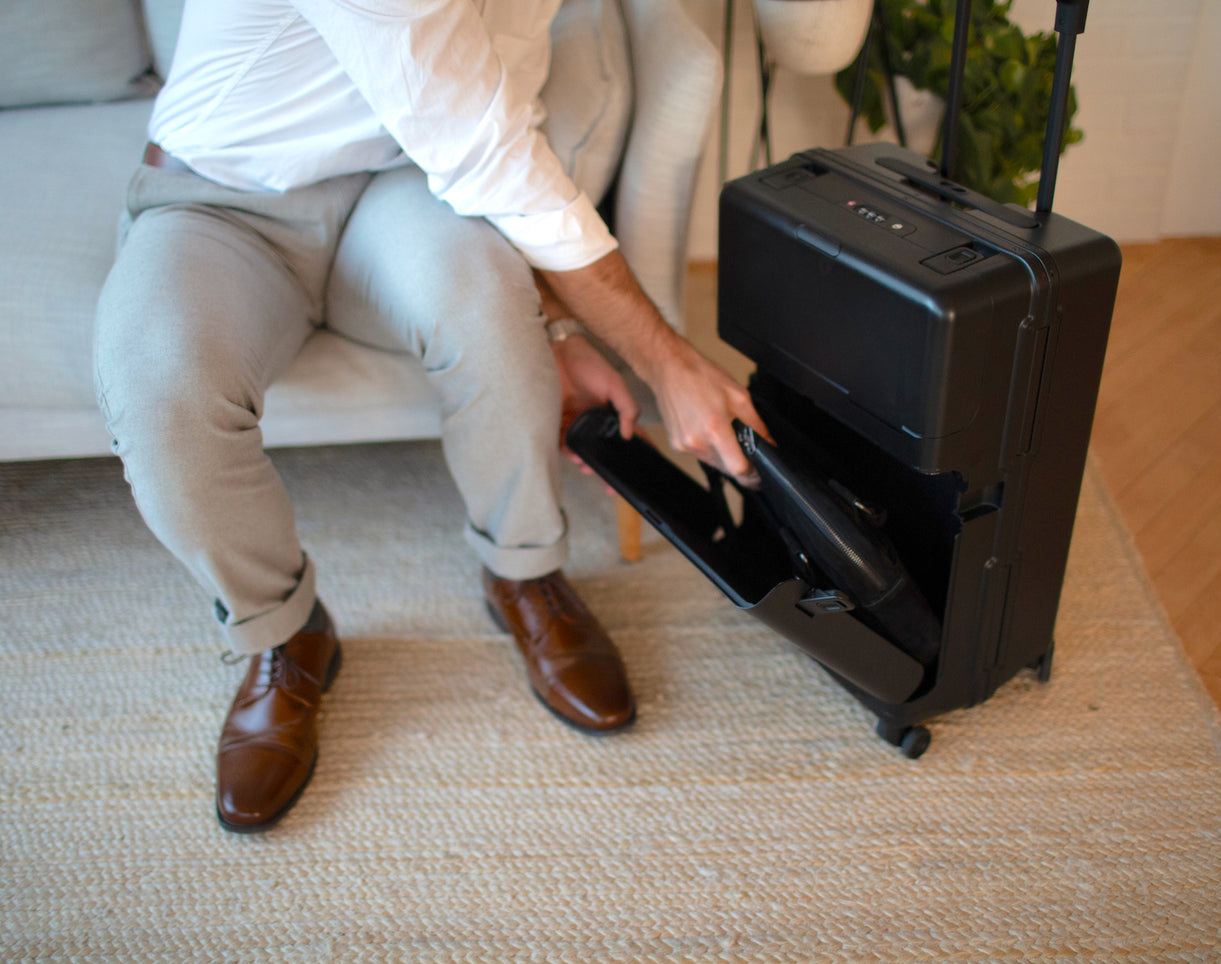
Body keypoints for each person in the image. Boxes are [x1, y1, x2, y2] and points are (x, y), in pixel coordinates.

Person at [94, 0, 766, 833]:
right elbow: (489, 154)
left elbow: (493, 134)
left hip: (399, 188)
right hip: (220, 199)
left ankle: (523, 571)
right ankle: (284, 635)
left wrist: (552, 324)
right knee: (161, 396)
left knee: (491, 317)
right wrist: (669, 362)